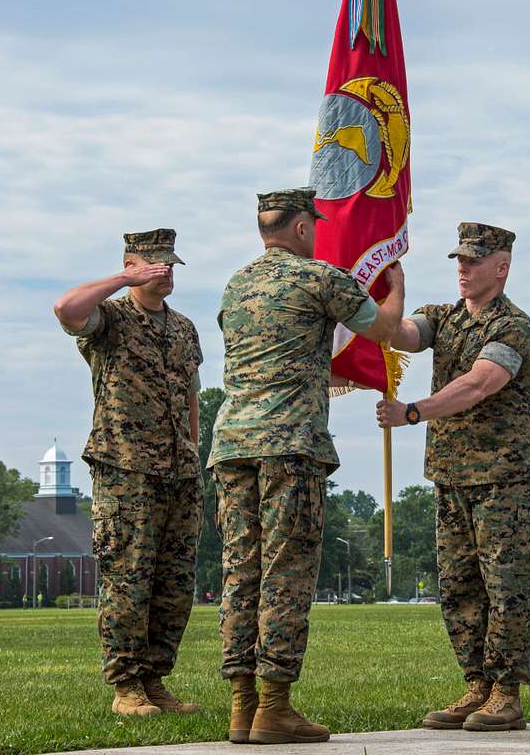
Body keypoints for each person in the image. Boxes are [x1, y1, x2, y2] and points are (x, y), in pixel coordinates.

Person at [208, 188, 405, 745]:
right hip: (290, 448)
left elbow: (275, 356)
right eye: (312, 226)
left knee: (241, 574)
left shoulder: (236, 284)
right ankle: (275, 707)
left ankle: (242, 708)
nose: (318, 234)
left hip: (232, 447)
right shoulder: (318, 278)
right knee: (286, 575)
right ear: (299, 228)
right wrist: (396, 284)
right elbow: (385, 329)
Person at [377, 222, 530, 733]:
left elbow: (479, 383)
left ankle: (506, 693)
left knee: (505, 587)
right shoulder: (443, 316)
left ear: (502, 266)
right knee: (459, 587)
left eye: (473, 260)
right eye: (458, 260)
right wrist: (395, 288)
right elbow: (399, 334)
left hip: (504, 479)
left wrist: (413, 411)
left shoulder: (513, 327)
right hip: (450, 476)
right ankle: (476, 686)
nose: (463, 269)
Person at [54, 229, 203, 717]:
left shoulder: (184, 329)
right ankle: (125, 686)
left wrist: (195, 454)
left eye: (170, 266)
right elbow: (66, 309)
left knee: (174, 584)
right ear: (132, 264)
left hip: (179, 473)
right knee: (128, 580)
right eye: (153, 265)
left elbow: (191, 395)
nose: (165, 273)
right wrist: (122, 279)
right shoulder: (110, 320)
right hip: (127, 470)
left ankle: (155, 680)